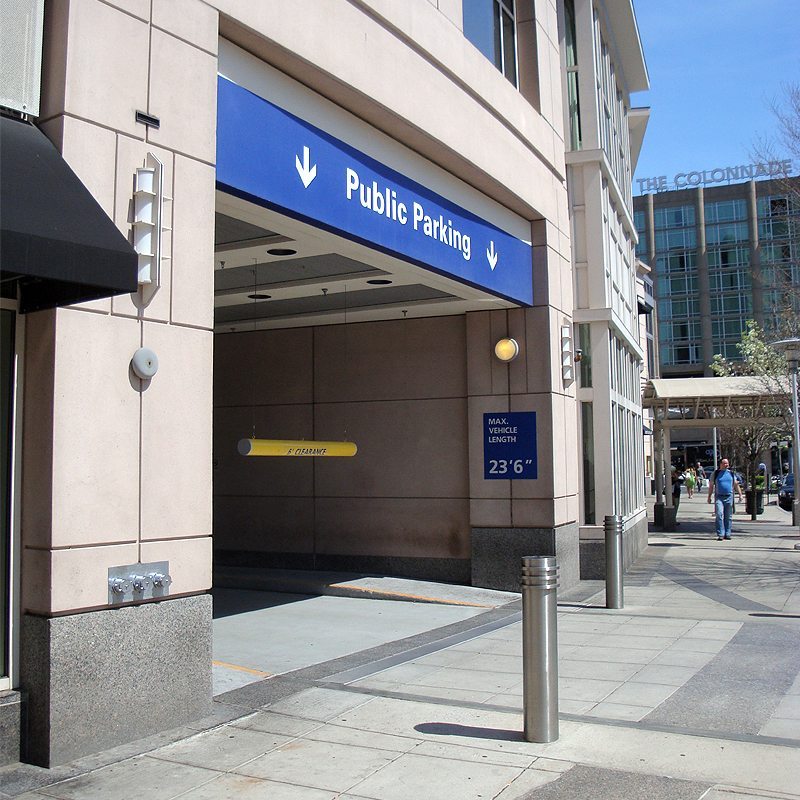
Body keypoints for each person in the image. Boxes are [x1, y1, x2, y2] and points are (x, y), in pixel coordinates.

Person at [707, 457, 744, 540]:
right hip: (719, 497)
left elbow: (735, 484)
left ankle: (728, 533)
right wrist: (709, 497)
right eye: (724, 463)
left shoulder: (731, 473)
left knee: (728, 516)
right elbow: (711, 486)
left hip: (729, 497)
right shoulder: (715, 474)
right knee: (719, 515)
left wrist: (740, 495)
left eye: (727, 463)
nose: (726, 465)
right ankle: (720, 533)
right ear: (720, 464)